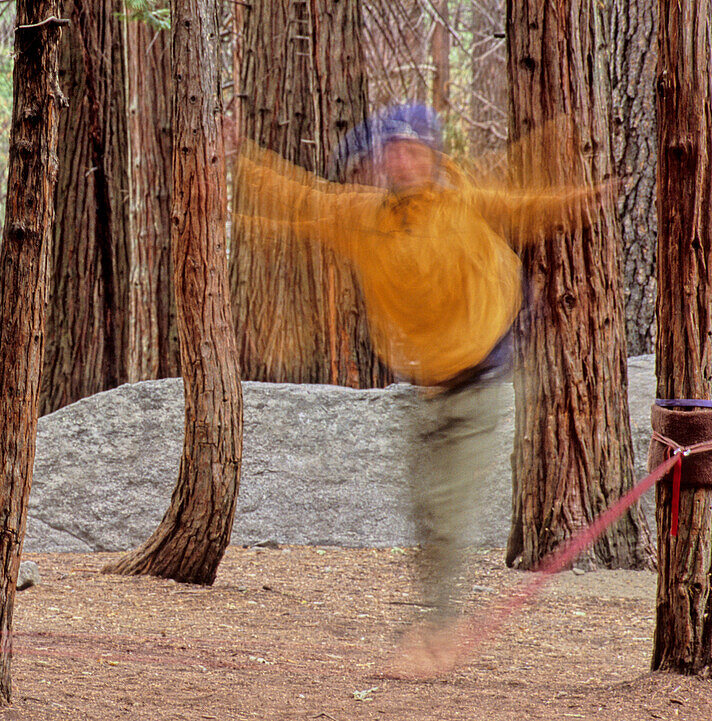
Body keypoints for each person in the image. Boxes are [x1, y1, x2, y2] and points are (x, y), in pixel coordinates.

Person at [234, 104, 607, 678]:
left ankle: (437, 634)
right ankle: (435, 625)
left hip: (482, 379)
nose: (401, 160)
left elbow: (525, 204)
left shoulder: (464, 198)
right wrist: (237, 156)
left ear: (433, 154)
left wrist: (585, 196)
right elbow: (298, 199)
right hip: (426, 387)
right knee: (426, 513)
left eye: (412, 149)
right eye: (390, 152)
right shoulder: (363, 216)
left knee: (446, 513)